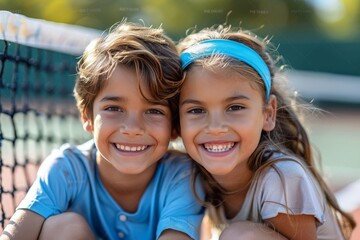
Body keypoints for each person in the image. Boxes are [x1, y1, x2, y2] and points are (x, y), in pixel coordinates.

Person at [0, 22, 204, 240]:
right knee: (63, 227)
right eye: (114, 108)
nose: (133, 129)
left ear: (174, 126)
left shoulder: (182, 176)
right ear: (87, 117)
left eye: (154, 111)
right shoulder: (67, 169)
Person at [176, 25, 355, 240]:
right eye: (196, 110)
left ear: (268, 113)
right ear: (177, 121)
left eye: (235, 108)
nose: (215, 127)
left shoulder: (281, 177)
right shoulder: (189, 173)